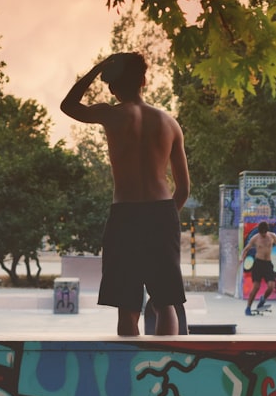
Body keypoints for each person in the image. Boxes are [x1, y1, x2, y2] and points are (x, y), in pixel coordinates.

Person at [61, 52, 190, 336]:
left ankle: (131, 371)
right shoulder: (169, 123)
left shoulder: (111, 114)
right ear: (144, 81)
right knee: (165, 303)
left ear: (111, 87)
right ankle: (168, 361)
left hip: (126, 215)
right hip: (162, 212)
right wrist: (165, 218)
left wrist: (95, 69)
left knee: (127, 306)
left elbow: (68, 105)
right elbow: (184, 188)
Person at [240, 221, 276, 316]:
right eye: (262, 233)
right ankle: (248, 307)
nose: (264, 235)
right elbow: (246, 249)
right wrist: (242, 257)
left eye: (265, 233)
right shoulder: (255, 238)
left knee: (271, 286)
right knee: (256, 287)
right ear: (259, 232)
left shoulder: (272, 236)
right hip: (258, 264)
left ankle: (263, 299)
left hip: (268, 264)